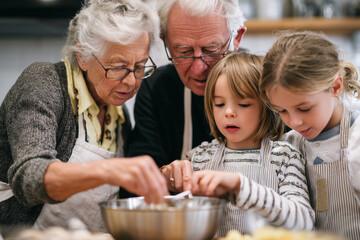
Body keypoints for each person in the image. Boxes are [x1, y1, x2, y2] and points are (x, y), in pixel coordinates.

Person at [0, 0, 168, 236]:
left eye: (139, 67)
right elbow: (30, 178)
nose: (131, 82)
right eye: (118, 67)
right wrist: (110, 170)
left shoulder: (117, 112)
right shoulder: (45, 82)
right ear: (83, 57)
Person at [160, 52, 315, 237]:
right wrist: (167, 177)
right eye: (219, 104)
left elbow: (303, 222)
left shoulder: (284, 157)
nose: (229, 112)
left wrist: (241, 186)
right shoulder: (200, 157)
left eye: (243, 104)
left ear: (268, 106)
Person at [259, 31, 360, 240]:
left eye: (304, 108)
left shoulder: (356, 137)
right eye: (282, 111)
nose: (294, 122)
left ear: (335, 87)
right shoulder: (290, 145)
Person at [126, 0, 247, 167]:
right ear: (166, 42)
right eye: (183, 52)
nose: (198, 69)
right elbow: (142, 174)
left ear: (237, 37)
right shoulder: (156, 90)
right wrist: (168, 176)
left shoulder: (266, 86)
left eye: (211, 49)